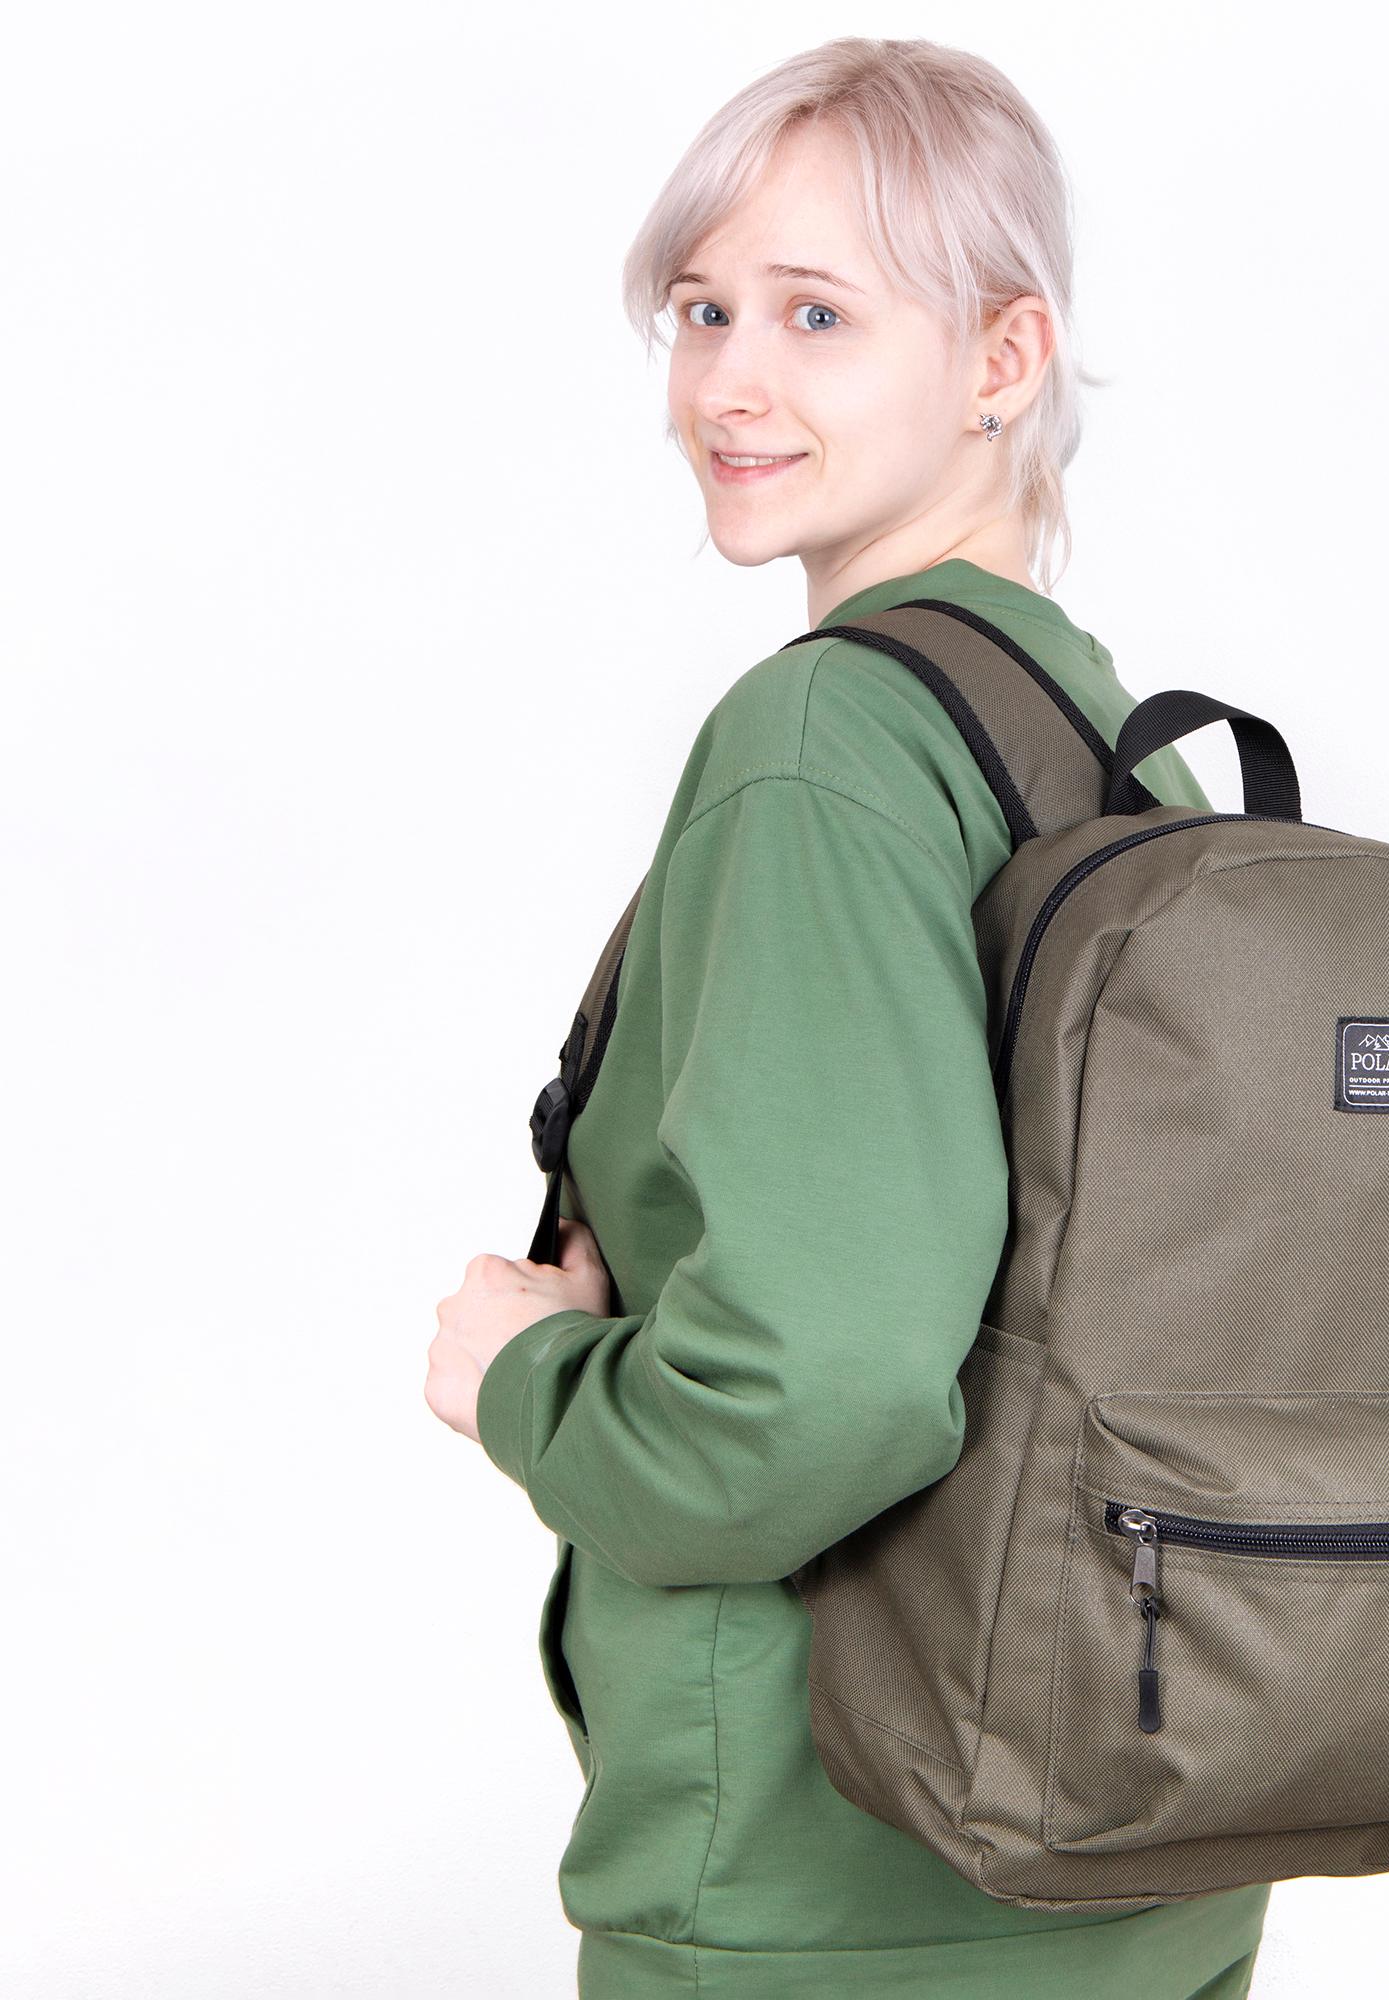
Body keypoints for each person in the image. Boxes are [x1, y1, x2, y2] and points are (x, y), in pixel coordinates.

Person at [426, 36, 1271, 1999]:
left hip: (829, 1896)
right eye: (701, 309)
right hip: (1153, 1851)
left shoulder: (823, 744)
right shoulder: (1115, 755)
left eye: (816, 314)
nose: (729, 380)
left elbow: (834, 1383)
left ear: (1001, 356)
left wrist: (527, 1382)